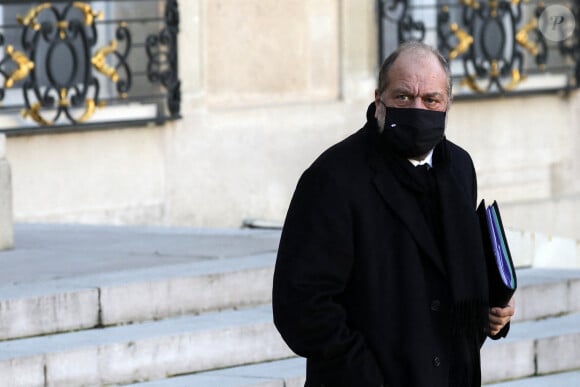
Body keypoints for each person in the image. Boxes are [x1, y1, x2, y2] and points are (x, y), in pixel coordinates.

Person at [272, 41, 515, 387]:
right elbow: (301, 306)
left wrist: (492, 311)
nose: (418, 108)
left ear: (447, 104)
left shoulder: (460, 167)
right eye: (403, 97)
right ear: (378, 100)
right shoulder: (333, 177)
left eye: (431, 99)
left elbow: (459, 268)